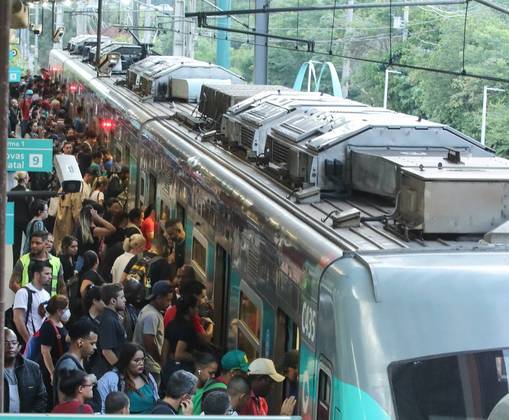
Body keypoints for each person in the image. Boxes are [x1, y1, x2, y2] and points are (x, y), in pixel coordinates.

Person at [97, 343, 158, 414]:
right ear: (126, 361)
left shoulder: (148, 377)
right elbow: (102, 407)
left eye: (143, 359)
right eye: (136, 360)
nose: (141, 363)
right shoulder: (111, 379)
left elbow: (157, 400)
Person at [133, 281, 173, 385]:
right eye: (167, 300)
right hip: (149, 366)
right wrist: (159, 361)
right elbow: (149, 341)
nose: (169, 304)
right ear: (159, 298)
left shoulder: (148, 309)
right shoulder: (152, 315)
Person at [53, 319, 98, 405]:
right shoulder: (68, 365)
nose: (95, 347)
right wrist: (88, 380)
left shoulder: (78, 362)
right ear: (80, 342)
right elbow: (64, 401)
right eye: (92, 343)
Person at [4, 327, 47, 413]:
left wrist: (28, 417)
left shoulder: (33, 368)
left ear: (18, 346)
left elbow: (42, 398)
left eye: (13, 343)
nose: (10, 346)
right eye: (5, 343)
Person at [37, 294, 70, 409]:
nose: (68, 312)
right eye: (66, 309)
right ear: (59, 311)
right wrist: (52, 373)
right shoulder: (48, 326)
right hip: (50, 374)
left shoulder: (61, 324)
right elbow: (45, 352)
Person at [10, 230, 64, 296]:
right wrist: (26, 297)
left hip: (49, 304)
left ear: (46, 244)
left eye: (37, 243)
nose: (33, 245)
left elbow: (61, 286)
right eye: (32, 243)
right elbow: (13, 284)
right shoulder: (23, 260)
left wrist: (62, 302)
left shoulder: (56, 262)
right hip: (29, 304)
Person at [13, 260, 51, 346]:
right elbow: (18, 319)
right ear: (37, 274)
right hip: (29, 343)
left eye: (50, 274)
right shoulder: (23, 292)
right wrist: (29, 342)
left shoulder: (47, 295)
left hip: (42, 343)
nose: (50, 276)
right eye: (47, 274)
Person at [162, 294, 202, 374]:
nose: (198, 310)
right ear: (190, 309)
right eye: (196, 307)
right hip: (184, 370)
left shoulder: (171, 324)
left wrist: (164, 368)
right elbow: (179, 354)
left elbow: (164, 351)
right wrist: (197, 357)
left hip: (169, 368)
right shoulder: (188, 328)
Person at [97, 283, 127, 371]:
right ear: (113, 301)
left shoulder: (113, 317)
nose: (125, 300)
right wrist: (121, 370)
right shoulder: (108, 320)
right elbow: (107, 351)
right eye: (122, 297)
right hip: (109, 370)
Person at [9, 171, 32, 264]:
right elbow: (30, 208)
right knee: (30, 244)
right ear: (25, 179)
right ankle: (27, 264)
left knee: (16, 247)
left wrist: (9, 227)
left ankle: (15, 268)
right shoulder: (27, 192)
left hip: (14, 221)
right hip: (26, 221)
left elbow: (9, 207)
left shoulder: (11, 191)